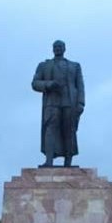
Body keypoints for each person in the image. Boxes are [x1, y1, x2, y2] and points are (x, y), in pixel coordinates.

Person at [31, 39, 85, 167]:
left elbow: (80, 86)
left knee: (69, 130)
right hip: (52, 102)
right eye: (55, 46)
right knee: (50, 129)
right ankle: (49, 160)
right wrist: (49, 84)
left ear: (64, 49)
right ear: (52, 49)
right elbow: (35, 83)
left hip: (69, 102)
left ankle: (68, 162)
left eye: (60, 46)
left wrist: (81, 103)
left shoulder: (74, 66)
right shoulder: (44, 65)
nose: (58, 48)